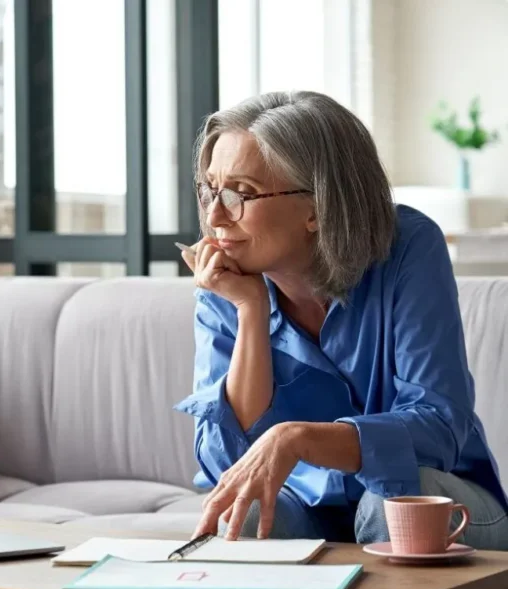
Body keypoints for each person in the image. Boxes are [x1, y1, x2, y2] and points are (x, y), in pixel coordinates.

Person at [174, 90, 508, 549]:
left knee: (389, 504)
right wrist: (250, 313)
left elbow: (439, 427)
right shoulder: (227, 280)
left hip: (441, 499)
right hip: (311, 509)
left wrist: (297, 439)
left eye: (240, 194)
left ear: (317, 206)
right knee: (244, 515)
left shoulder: (409, 246)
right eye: (210, 189)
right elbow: (225, 465)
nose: (215, 216)